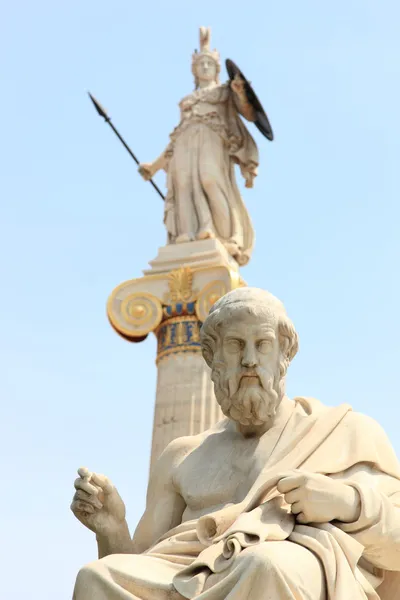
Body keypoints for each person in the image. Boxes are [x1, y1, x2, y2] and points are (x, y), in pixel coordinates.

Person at [71, 287, 400, 599]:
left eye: (263, 344)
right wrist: (111, 530)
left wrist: (348, 503)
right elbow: (143, 563)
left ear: (285, 356)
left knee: (263, 564)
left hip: (282, 565)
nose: (250, 360)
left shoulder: (343, 433)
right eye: (235, 344)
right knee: (96, 576)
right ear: (212, 358)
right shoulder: (182, 457)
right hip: (192, 571)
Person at [139, 28, 259, 266]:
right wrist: (154, 167)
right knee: (183, 184)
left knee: (210, 180)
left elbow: (249, 113)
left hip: (212, 139)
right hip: (186, 142)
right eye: (201, 64)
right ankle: (188, 233)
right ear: (194, 70)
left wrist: (241, 93)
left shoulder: (224, 91)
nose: (205, 67)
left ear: (216, 69)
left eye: (209, 64)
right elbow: (175, 139)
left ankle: (227, 238)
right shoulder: (187, 101)